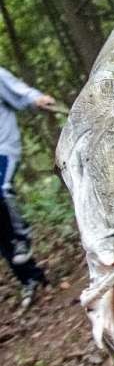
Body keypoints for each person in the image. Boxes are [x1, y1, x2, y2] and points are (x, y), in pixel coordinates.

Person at [0, 66, 54, 309]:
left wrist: (36, 98)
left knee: (0, 188)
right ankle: (30, 278)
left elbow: (19, 92)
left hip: (3, 149)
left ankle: (23, 239)